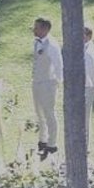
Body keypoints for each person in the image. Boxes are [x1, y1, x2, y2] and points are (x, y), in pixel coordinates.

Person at [30, 17, 63, 160]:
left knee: (49, 113)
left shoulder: (52, 45)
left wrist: (58, 82)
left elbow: (58, 65)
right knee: (39, 112)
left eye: (37, 27)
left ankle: (52, 143)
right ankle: (42, 140)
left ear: (45, 29)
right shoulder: (37, 42)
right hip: (37, 81)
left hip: (48, 83)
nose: (34, 29)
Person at [83, 25, 94, 150]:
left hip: (87, 87)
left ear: (88, 36)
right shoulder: (85, 48)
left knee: (85, 118)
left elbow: (93, 72)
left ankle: (86, 145)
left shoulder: (89, 52)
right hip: (82, 86)